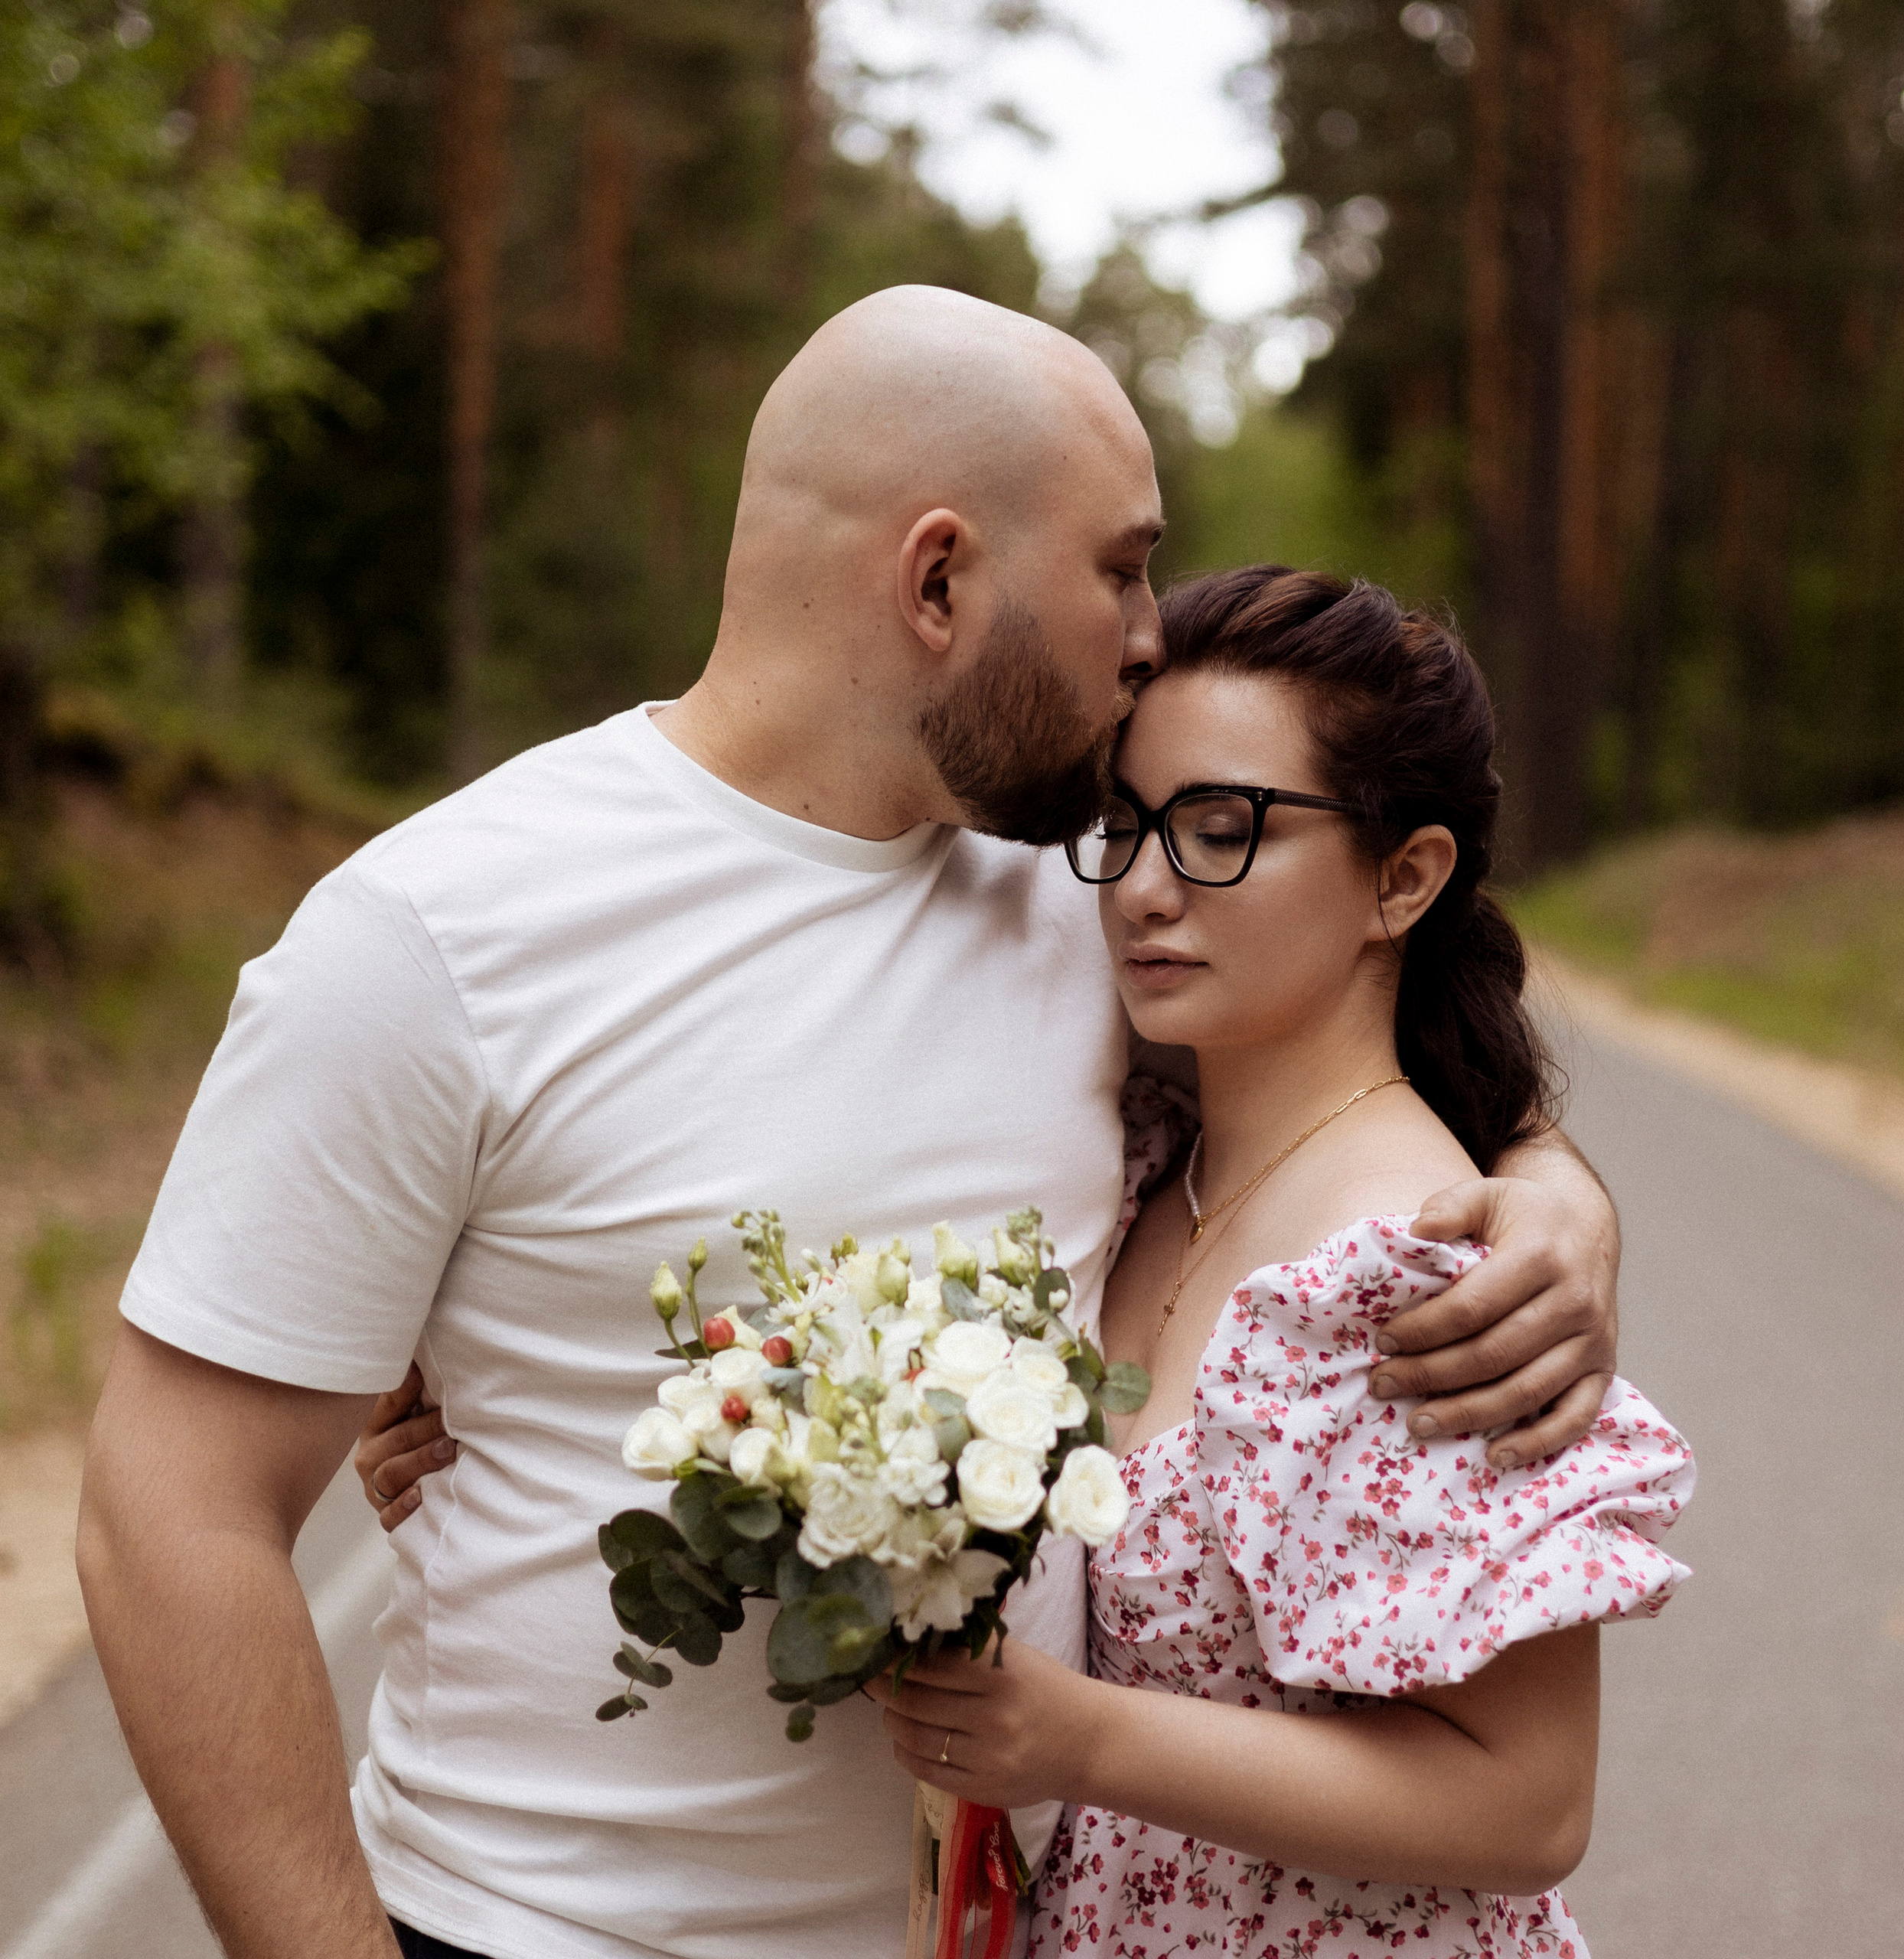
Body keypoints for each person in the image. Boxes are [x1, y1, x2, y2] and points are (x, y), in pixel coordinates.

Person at [78, 288, 1621, 1959]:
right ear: (938, 577)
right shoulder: (439, 934)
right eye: (1118, 566)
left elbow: (1339, 1081)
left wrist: (1546, 1188)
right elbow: (172, 1511)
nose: (1147, 634)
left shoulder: (1086, 903)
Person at [863, 567, 1694, 1959]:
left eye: (1221, 828)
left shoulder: (1425, 1280)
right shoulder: (1137, 1155)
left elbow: (1531, 1803)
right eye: (1123, 827)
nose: (1140, 889)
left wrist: (1078, 1738)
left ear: (1405, 878)